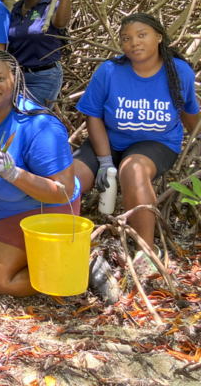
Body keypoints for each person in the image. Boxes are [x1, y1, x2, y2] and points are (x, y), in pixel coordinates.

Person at [73, 14, 200, 274]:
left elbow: (188, 111)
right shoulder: (109, 71)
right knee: (71, 178)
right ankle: (62, 238)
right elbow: (93, 116)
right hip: (108, 139)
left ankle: (147, 251)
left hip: (156, 142)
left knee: (133, 170)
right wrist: (105, 161)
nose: (134, 42)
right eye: (126, 38)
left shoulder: (179, 71)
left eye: (142, 35)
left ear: (159, 37)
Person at [0, 51, 80, 297]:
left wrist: (15, 175)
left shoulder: (39, 125)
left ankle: (77, 265)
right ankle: (33, 255)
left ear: (15, 79)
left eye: (0, 78)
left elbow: (64, 191)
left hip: (39, 210)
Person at [7, 0, 74, 106]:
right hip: (18, 76)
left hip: (44, 77)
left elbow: (61, 22)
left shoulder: (51, 5)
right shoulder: (16, 9)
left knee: (30, 119)